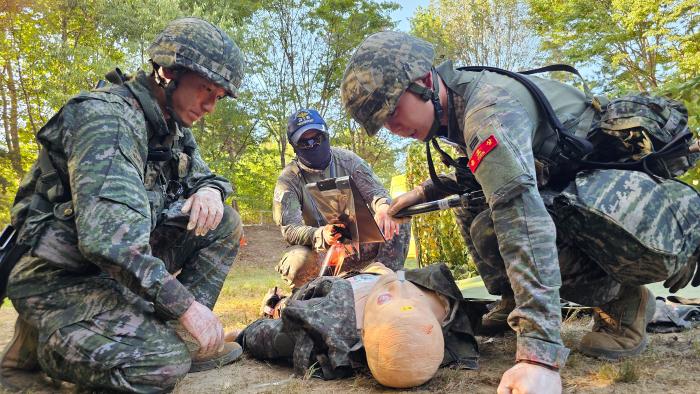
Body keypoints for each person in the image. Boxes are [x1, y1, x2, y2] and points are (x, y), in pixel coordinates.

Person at [340, 31, 700, 393]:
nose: (393, 128)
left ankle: (622, 301)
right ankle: (515, 298)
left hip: (641, 214)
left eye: (391, 110)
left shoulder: (487, 109)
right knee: (474, 203)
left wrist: (538, 356)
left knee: (502, 220)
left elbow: (523, 221)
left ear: (422, 82)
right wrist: (419, 193)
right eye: (381, 123)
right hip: (586, 197)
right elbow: (473, 172)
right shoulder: (456, 104)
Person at [0, 17, 245, 393]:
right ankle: (44, 349)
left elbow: (206, 176)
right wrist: (185, 306)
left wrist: (210, 191)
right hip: (60, 278)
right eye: (206, 90)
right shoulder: (108, 119)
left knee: (223, 220)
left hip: (110, 273)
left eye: (220, 97)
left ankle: (172, 338)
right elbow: (108, 241)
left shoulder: (169, 128)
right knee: (162, 366)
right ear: (168, 72)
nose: (211, 106)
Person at [237, 262, 481, 388]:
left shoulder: (328, 327)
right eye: (410, 300)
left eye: (385, 301)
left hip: (318, 294)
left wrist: (239, 335)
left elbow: (259, 336)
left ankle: (275, 301)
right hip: (367, 272)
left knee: (283, 313)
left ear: (363, 337)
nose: (399, 292)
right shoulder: (447, 303)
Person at [272, 108, 411, 289]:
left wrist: (383, 206)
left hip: (356, 243)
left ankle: (387, 284)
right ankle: (309, 299)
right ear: (294, 146)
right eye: (305, 142)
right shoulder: (289, 179)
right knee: (298, 260)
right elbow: (290, 229)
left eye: (318, 138)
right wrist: (321, 234)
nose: (313, 145)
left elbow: (375, 192)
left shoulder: (348, 161)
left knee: (396, 216)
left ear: (326, 135)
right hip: (319, 250)